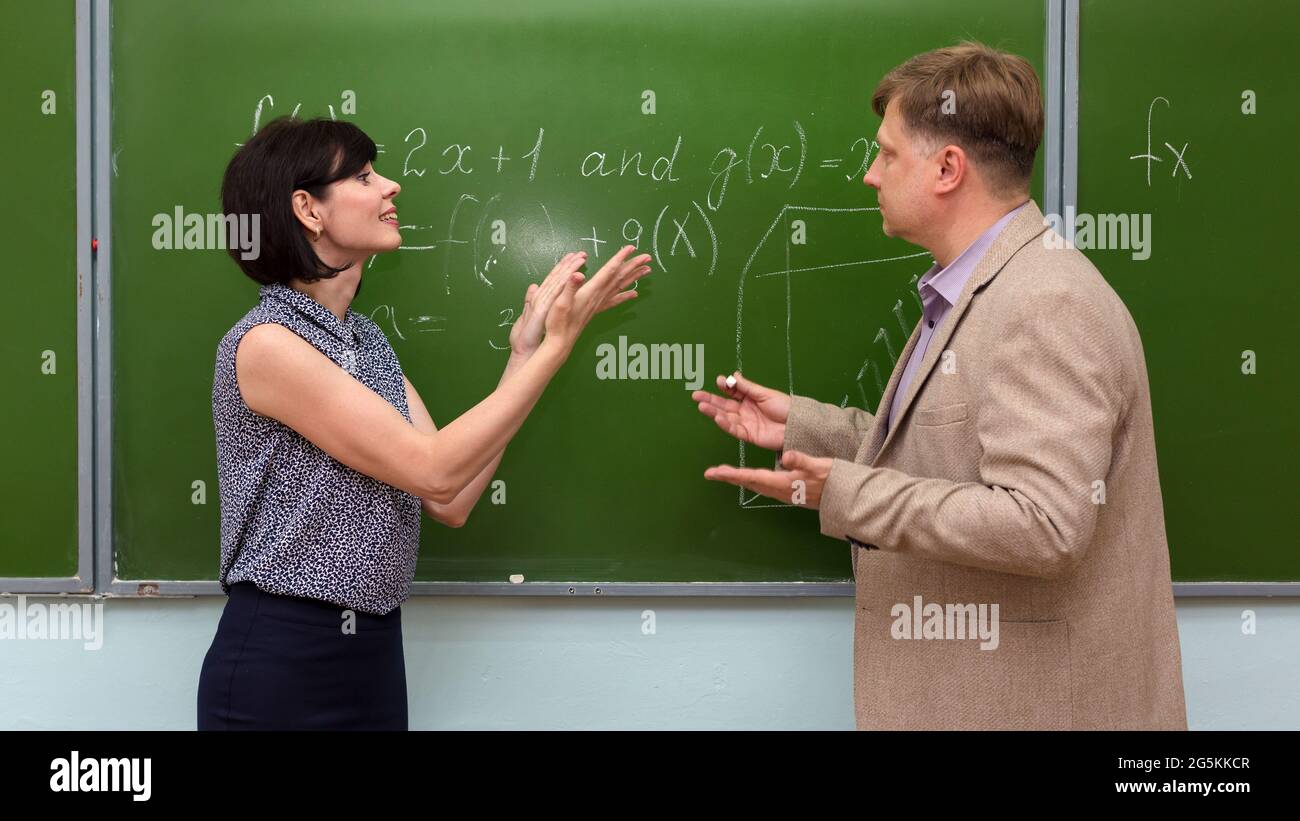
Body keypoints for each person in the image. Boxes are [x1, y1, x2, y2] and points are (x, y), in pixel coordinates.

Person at [693, 42, 1187, 729]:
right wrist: (810, 430)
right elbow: (956, 453)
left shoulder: (1046, 304)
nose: (870, 175)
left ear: (947, 168)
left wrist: (843, 491)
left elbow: (1043, 523)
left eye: (888, 154)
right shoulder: (984, 288)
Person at [197, 116, 651, 729]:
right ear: (308, 209)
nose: (391, 188)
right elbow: (434, 472)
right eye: (362, 176)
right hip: (284, 657)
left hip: (374, 651)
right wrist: (555, 352)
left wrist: (524, 354)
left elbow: (453, 496)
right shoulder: (267, 345)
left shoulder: (365, 341)